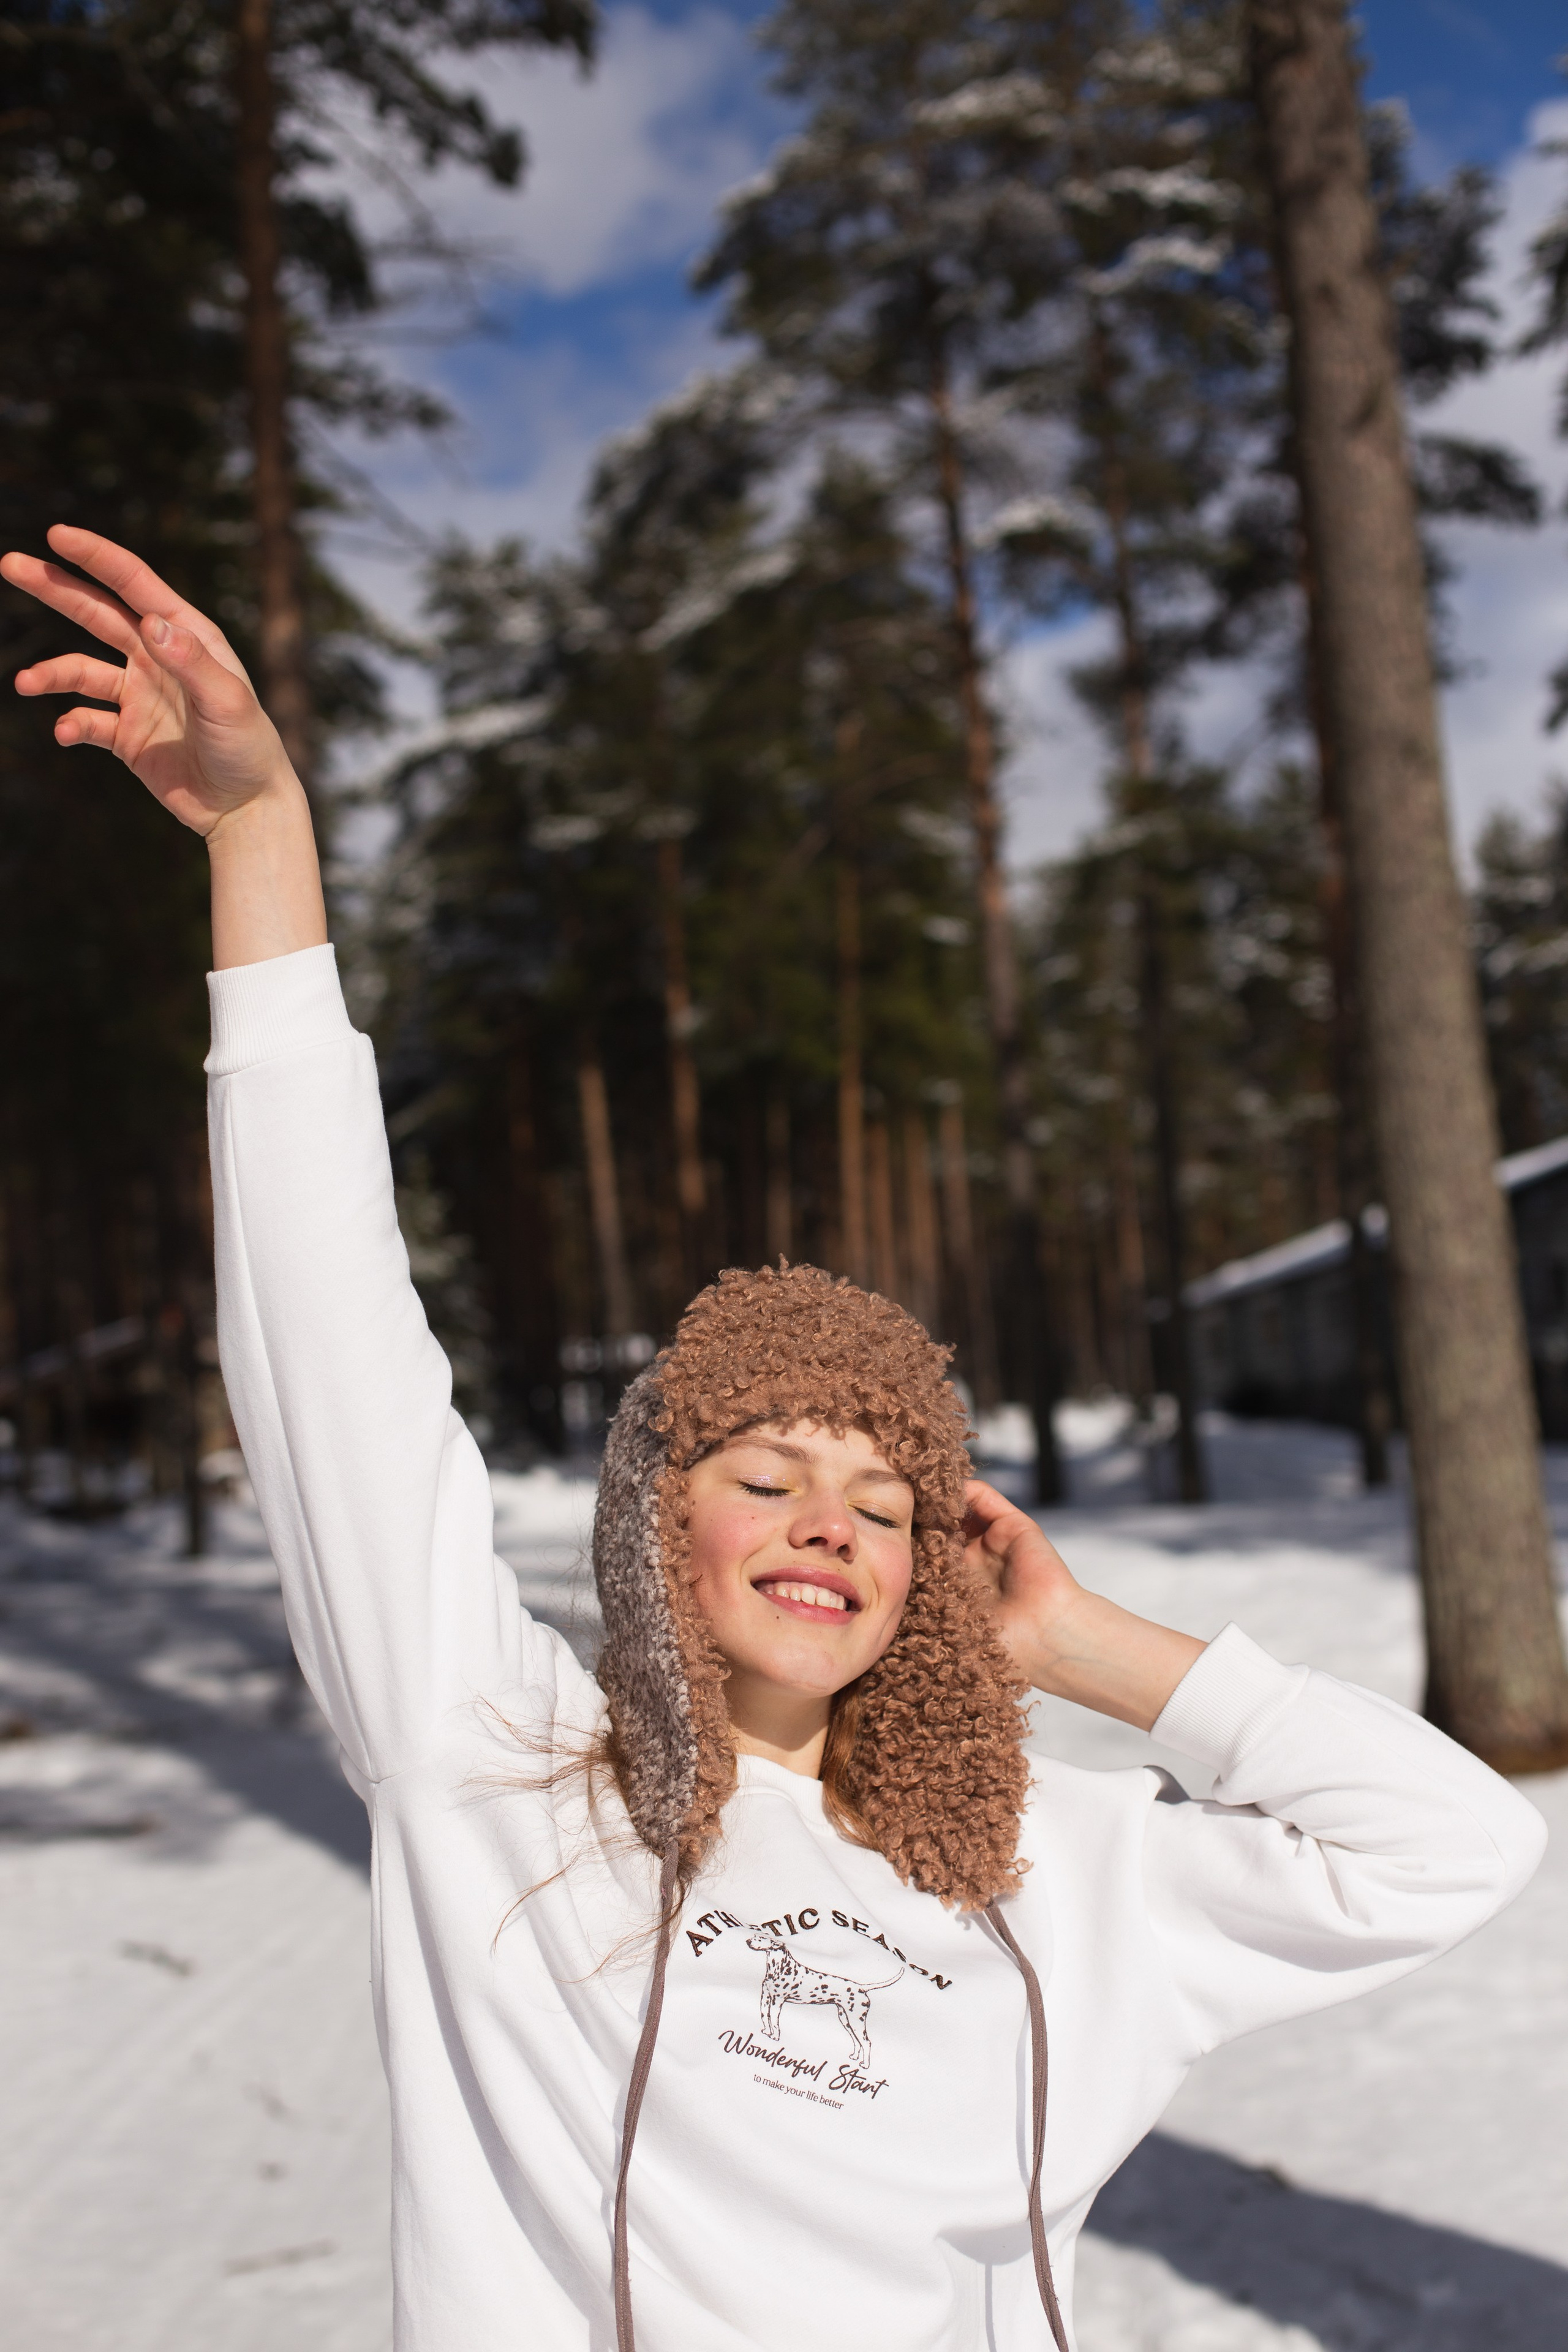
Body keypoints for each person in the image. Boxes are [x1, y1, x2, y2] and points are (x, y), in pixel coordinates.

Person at [3, 526, 1547, 2352]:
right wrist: (262, 840)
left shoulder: (1050, 1870)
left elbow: (1455, 1845)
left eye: (885, 1505)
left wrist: (1077, 1645)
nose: (832, 1527)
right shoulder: (498, 1779)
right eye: (766, 1477)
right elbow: (335, 1359)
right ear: (657, 1525)